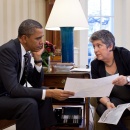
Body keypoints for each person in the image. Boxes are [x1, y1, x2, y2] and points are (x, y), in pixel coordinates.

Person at [0, 19, 74, 130]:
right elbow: (14, 89)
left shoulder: (26, 53)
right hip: (2, 96)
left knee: (44, 96)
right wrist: (49, 93)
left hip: (9, 96)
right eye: (38, 38)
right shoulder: (8, 51)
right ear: (24, 38)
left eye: (42, 37)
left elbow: (36, 83)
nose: (41, 42)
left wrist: (38, 59)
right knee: (29, 103)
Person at [90, 29, 130, 130]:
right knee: (102, 107)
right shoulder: (95, 65)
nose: (95, 50)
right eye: (94, 46)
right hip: (118, 101)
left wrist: (127, 79)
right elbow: (98, 91)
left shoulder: (124, 55)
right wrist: (107, 102)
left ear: (110, 46)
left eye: (99, 45)